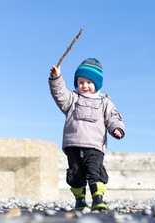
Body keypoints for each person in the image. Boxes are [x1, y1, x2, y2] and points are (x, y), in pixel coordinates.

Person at [48, 58, 125, 211]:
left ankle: (98, 199)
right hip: (73, 144)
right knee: (75, 174)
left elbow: (113, 117)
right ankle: (80, 200)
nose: (85, 86)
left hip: (94, 146)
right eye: (81, 82)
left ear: (96, 84)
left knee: (95, 172)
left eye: (89, 82)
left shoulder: (104, 102)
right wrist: (56, 78)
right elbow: (59, 93)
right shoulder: (72, 99)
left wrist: (116, 128)